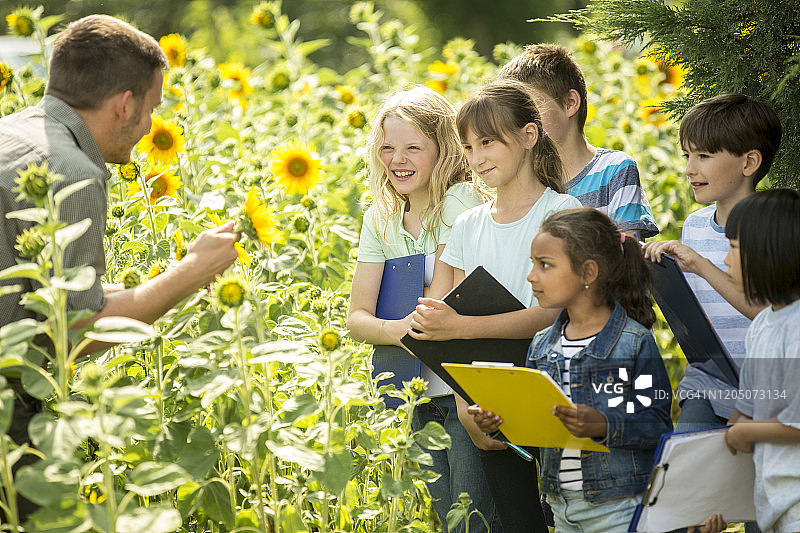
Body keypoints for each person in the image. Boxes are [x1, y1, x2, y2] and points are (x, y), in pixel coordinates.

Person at [0, 14, 239, 520]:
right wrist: (191, 274)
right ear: (124, 103)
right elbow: (76, 332)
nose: (151, 126)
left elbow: (46, 295)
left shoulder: (14, 133)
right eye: (152, 108)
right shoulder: (72, 172)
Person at [408, 78, 582, 533]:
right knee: (517, 519)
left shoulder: (562, 212)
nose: (477, 157)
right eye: (468, 147)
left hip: (557, 389)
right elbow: (451, 321)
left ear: (529, 135)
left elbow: (552, 315)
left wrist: (460, 328)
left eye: (488, 142)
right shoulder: (467, 225)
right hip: (491, 400)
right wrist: (467, 407)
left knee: (573, 517)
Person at [470, 207, 673, 533]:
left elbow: (657, 426)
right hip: (562, 509)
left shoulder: (634, 343)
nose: (531, 276)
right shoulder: (541, 346)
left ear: (588, 272)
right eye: (533, 264)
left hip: (621, 508)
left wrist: (603, 424)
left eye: (545, 265)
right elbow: (535, 428)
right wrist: (500, 424)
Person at [345, 85, 492, 533]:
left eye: (413, 147)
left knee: (473, 518)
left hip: (465, 387)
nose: (398, 160)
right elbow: (356, 318)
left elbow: (446, 301)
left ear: (443, 149)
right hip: (413, 393)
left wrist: (400, 324)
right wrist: (399, 330)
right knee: (446, 517)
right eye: (387, 148)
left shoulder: (459, 201)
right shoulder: (380, 218)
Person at [644, 94, 782, 433]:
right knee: (684, 458)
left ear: (749, 163)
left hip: (767, 394)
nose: (690, 169)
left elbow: (772, 314)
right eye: (687, 155)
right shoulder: (694, 225)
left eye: (704, 156)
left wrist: (702, 266)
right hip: (707, 385)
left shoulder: (774, 229)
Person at [696, 189, 800, 533]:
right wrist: (711, 496)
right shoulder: (763, 325)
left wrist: (744, 432)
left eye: (733, 248)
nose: (725, 260)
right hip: (774, 509)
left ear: (768, 253)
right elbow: (745, 412)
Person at [498, 43, 658, 239]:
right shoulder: (526, 181)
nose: (519, 123)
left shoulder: (614, 170)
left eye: (530, 107)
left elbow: (630, 250)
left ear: (569, 103)